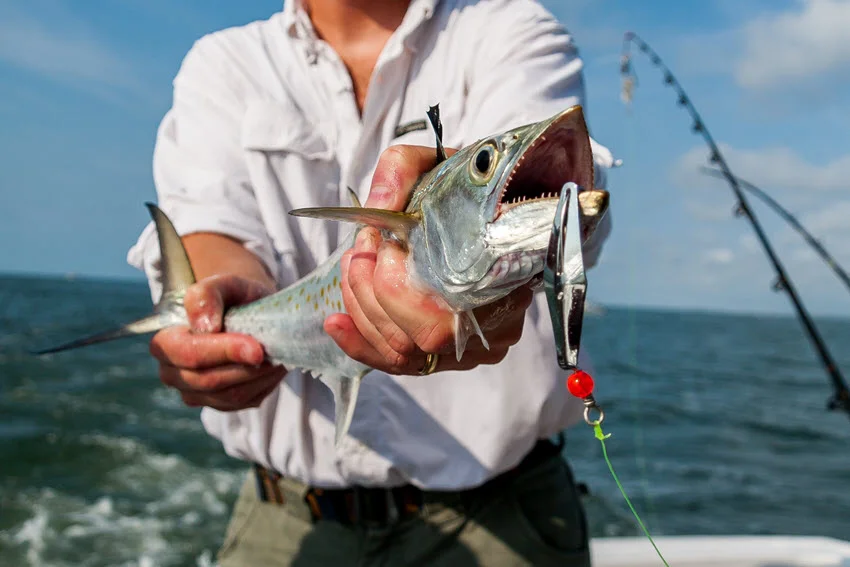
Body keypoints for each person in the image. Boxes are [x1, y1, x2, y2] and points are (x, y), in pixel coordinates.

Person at [127, 0, 615, 565]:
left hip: (503, 517)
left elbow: (540, 190)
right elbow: (212, 225)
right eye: (481, 164)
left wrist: (500, 279)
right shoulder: (224, 62)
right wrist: (218, 304)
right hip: (285, 521)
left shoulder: (507, 28)